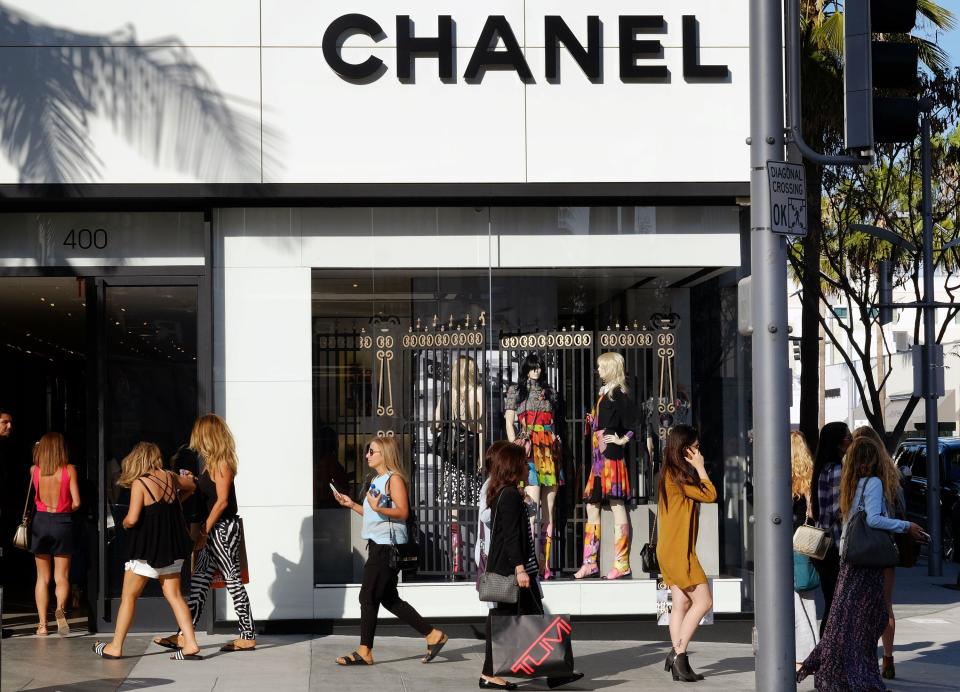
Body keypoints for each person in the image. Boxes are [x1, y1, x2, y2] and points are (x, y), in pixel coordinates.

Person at [797, 436, 927, 691]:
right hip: (868, 562)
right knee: (872, 617)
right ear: (874, 458)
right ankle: (861, 669)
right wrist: (906, 526)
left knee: (847, 617)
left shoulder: (851, 483)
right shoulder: (875, 482)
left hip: (850, 558)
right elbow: (876, 520)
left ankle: (840, 669)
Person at [332, 435, 447, 666]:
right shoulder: (376, 479)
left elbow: (403, 513)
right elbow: (375, 515)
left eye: (371, 451)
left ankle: (365, 651)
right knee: (388, 598)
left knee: (367, 595)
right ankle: (433, 634)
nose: (367, 455)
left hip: (387, 547)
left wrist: (378, 507)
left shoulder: (394, 480)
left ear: (384, 454)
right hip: (378, 543)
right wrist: (352, 504)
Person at [479, 442, 582, 690]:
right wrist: (520, 569)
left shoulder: (507, 493)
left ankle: (556, 670)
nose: (529, 467)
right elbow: (512, 536)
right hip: (513, 571)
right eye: (525, 463)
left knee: (525, 618)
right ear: (513, 466)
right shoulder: (509, 495)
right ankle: (490, 674)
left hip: (516, 569)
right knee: (507, 620)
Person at [154, 414, 256, 653]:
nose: (195, 440)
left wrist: (204, 531)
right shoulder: (212, 464)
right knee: (199, 583)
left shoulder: (223, 463)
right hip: (212, 529)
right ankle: (183, 635)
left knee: (232, 579)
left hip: (221, 528)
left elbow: (221, 502)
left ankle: (248, 635)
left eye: (199, 434)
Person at [91, 443, 200, 660]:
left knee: (129, 597)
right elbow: (192, 486)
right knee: (175, 595)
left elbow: (132, 518)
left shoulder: (141, 483)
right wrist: (178, 499)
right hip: (171, 546)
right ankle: (190, 643)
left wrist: (124, 525)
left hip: (147, 550)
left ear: (137, 459)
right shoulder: (170, 476)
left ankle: (115, 646)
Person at [656, 425, 716, 682]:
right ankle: (679, 654)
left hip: (669, 549)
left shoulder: (670, 473)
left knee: (680, 603)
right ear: (684, 449)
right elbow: (711, 495)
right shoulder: (678, 477)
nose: (698, 450)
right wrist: (701, 467)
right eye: (695, 446)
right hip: (680, 551)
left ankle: (678, 657)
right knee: (704, 602)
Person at [574, 352, 638, 580]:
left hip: (610, 455)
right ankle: (590, 561)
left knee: (616, 503)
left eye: (601, 367)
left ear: (610, 368)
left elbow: (633, 423)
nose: (598, 371)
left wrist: (622, 439)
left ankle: (621, 563)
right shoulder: (606, 394)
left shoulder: (618, 394)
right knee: (593, 505)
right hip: (599, 456)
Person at [505, 354, 563, 579]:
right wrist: (514, 448)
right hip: (528, 449)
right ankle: (529, 560)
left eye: (540, 367)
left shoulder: (550, 392)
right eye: (533, 367)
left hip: (548, 449)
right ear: (526, 369)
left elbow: (554, 421)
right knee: (531, 507)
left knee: (549, 507)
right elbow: (509, 421)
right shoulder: (516, 390)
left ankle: (544, 564)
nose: (537, 370)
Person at [853, 425, 903, 679]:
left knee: (861, 607)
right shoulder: (890, 477)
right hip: (883, 548)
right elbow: (899, 508)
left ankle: (865, 658)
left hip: (859, 550)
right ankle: (888, 658)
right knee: (885, 605)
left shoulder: (854, 479)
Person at [29, 432, 80, 636]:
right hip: (62, 521)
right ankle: (60, 610)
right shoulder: (69, 470)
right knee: (62, 576)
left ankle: (42, 625)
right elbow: (76, 502)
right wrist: (66, 508)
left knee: (42, 577)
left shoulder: (34, 470)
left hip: (40, 521)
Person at [810, 422, 852, 637]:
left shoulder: (822, 467)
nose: (850, 441)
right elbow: (837, 509)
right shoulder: (836, 470)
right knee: (836, 605)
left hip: (823, 546)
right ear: (838, 442)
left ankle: (827, 652)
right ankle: (827, 653)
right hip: (834, 544)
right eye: (847, 437)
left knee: (832, 602)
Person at [790, 431, 819, 669]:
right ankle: (813, 650)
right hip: (805, 542)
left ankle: (804, 653)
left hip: (790, 543)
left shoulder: (784, 481)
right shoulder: (809, 478)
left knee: (794, 601)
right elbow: (811, 514)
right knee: (807, 598)